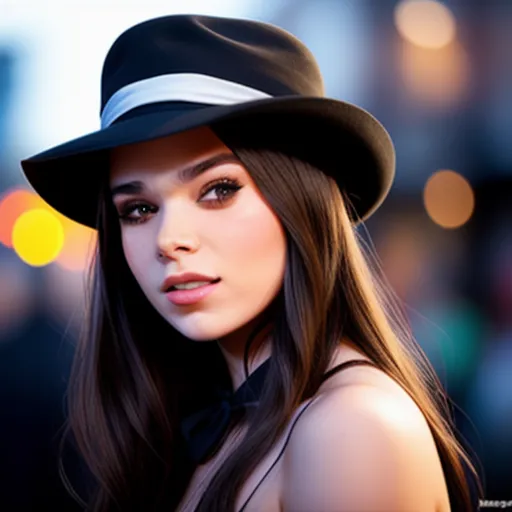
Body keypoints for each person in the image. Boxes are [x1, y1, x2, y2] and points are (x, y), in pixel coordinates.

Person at [20, 14, 482, 512]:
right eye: (138, 209)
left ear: (299, 202)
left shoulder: (351, 427)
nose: (169, 240)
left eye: (219, 190)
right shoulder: (200, 426)